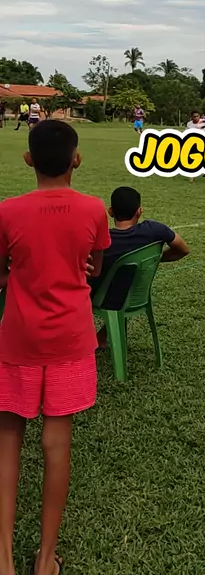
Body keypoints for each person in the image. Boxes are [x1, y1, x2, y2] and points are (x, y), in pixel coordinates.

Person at [0, 120, 111, 575]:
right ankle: (46, 558)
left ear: (28, 160)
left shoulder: (8, 211)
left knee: (8, 441)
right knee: (56, 443)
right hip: (71, 338)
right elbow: (94, 267)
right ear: (76, 160)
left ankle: (3, 558)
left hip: (18, 339)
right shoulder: (93, 209)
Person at [90, 187, 190, 348]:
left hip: (102, 298)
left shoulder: (102, 240)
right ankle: (102, 337)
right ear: (139, 211)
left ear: (110, 211)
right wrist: (150, 260)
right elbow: (183, 249)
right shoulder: (155, 230)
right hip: (135, 295)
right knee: (123, 282)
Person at [186, 111, 205, 182]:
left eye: (197, 116)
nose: (196, 118)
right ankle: (192, 176)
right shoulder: (189, 124)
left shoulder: (204, 122)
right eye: (194, 116)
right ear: (191, 117)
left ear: (199, 116)